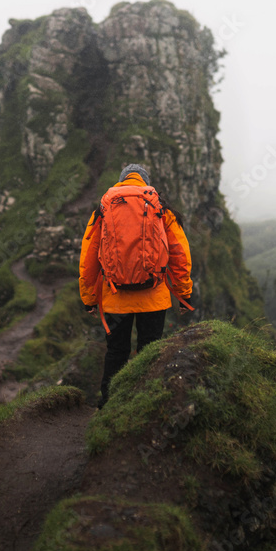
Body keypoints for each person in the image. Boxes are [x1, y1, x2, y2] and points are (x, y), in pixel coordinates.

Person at [79, 164, 193, 409]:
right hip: (153, 297)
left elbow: (88, 256)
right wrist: (184, 294)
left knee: (116, 352)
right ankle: (144, 407)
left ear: (122, 181)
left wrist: (89, 297)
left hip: (115, 297)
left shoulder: (104, 207)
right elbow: (179, 254)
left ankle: (108, 406)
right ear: (145, 181)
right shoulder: (160, 207)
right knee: (150, 352)